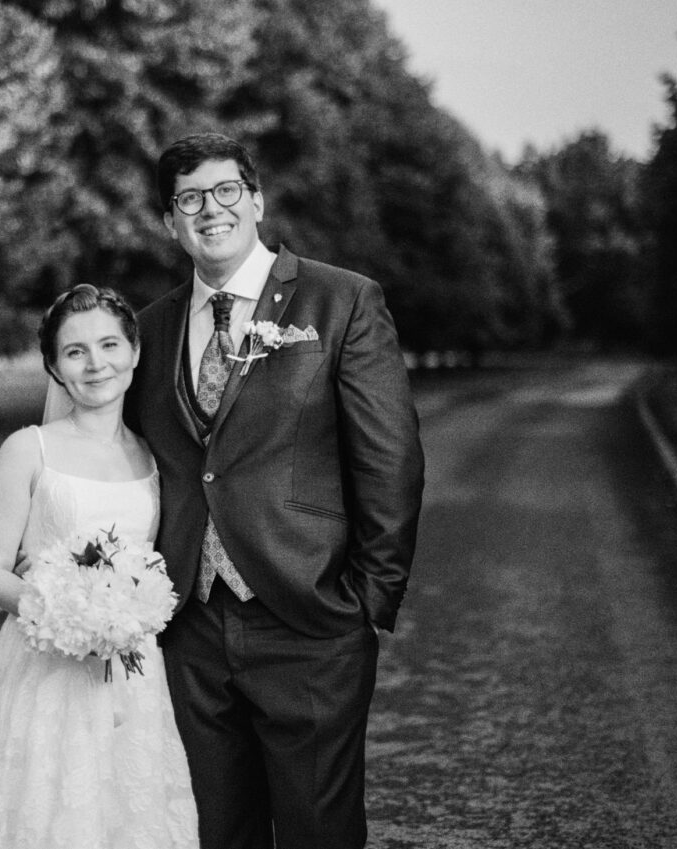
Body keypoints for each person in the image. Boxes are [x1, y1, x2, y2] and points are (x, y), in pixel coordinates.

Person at [125, 133, 425, 849]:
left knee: (318, 832)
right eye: (189, 198)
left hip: (312, 619)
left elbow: (391, 458)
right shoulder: (147, 329)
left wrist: (367, 603)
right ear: (171, 221)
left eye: (226, 190)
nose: (210, 209)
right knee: (211, 833)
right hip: (190, 631)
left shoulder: (341, 299)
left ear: (256, 199)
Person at [0, 284, 198, 849]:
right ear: (54, 366)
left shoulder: (152, 456)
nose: (96, 364)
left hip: (134, 674)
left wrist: (121, 620)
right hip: (45, 667)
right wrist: (69, 617)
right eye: (75, 352)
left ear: (134, 352)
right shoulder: (29, 449)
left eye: (109, 345)